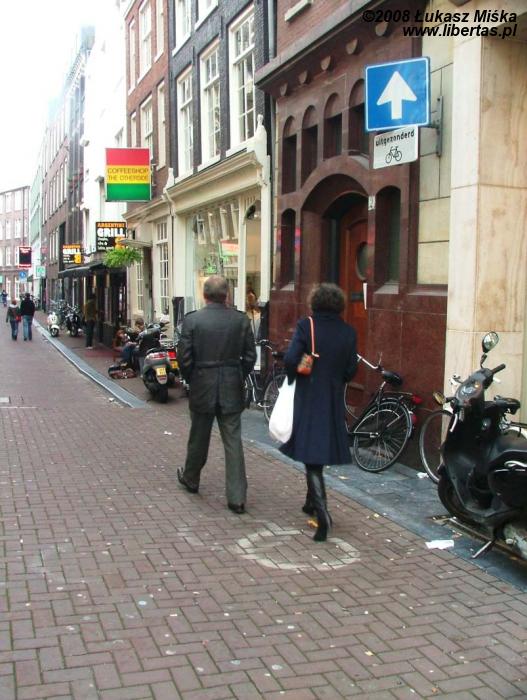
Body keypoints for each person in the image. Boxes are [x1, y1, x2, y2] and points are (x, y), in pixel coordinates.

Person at [280, 283, 358, 542]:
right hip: (333, 398)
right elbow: (351, 369)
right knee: (317, 449)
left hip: (309, 396)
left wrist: (298, 373)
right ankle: (310, 503)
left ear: (315, 302)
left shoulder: (307, 326)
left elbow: (291, 359)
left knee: (311, 457)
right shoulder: (348, 331)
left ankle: (323, 514)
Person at [177, 275, 256, 513]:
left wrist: (193, 378)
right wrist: (237, 374)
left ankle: (191, 478)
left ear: (204, 295)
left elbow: (184, 358)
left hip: (202, 383)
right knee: (233, 441)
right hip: (231, 384)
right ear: (226, 295)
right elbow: (250, 356)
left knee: (198, 437)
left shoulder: (193, 320)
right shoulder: (241, 320)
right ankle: (237, 497)